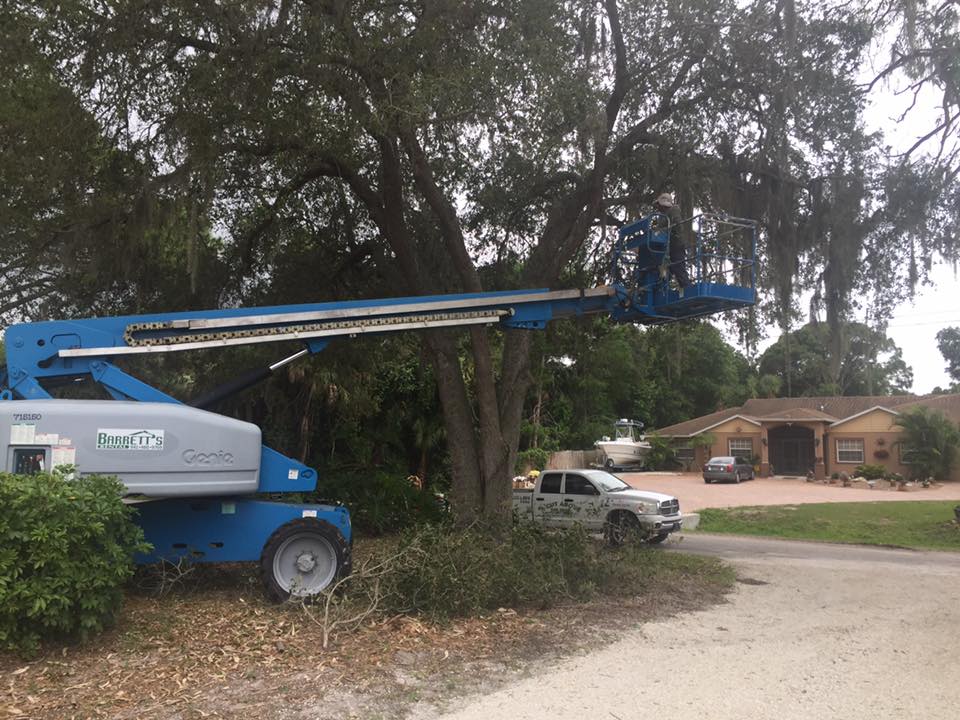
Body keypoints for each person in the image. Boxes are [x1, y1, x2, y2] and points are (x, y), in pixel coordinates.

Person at [652, 192, 690, 290]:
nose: (658, 207)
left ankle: (687, 289)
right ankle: (661, 289)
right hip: (667, 247)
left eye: (659, 205)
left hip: (676, 244)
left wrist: (663, 230)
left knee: (678, 267)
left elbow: (677, 225)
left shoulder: (674, 210)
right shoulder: (662, 215)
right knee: (666, 270)